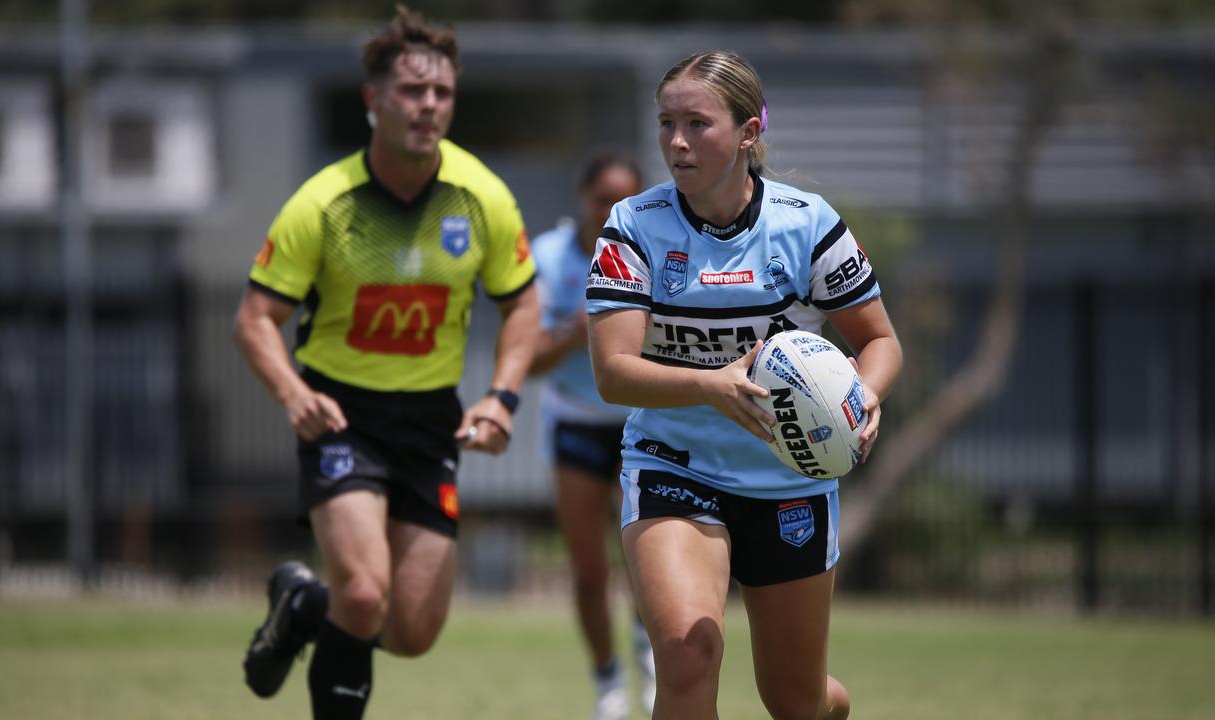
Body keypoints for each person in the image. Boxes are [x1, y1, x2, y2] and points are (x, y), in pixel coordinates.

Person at [232, 7, 539, 719]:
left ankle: (303, 602)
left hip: (432, 421)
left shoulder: (482, 196)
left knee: (410, 631)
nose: (428, 106)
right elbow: (254, 319)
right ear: (373, 100)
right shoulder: (323, 202)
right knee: (366, 595)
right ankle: (333, 610)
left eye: (441, 93)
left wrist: (501, 398)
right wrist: (290, 392)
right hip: (341, 415)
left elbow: (523, 306)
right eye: (410, 91)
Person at [586, 50, 902, 720]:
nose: (676, 140)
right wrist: (710, 387)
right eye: (666, 122)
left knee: (795, 701)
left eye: (697, 123)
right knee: (685, 651)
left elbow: (879, 342)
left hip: (791, 477)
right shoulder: (633, 226)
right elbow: (614, 374)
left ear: (749, 132)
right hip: (675, 465)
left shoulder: (807, 224)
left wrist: (864, 395)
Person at [529, 153, 655, 720]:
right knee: (588, 568)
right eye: (602, 198)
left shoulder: (651, 250)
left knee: (647, 563)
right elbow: (528, 360)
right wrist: (580, 327)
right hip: (577, 418)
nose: (610, 211)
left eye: (621, 200)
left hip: (641, 421)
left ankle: (648, 657)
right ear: (582, 196)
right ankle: (607, 681)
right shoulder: (549, 258)